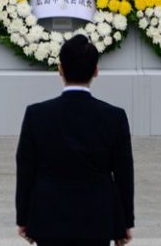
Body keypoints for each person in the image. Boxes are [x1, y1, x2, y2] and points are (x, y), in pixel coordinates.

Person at [15, 34, 135, 246]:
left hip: (49, 217)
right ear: (96, 70)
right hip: (98, 219)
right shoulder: (114, 117)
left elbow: (26, 170)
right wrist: (125, 222)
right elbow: (124, 173)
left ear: (60, 69)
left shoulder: (37, 114)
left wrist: (24, 219)